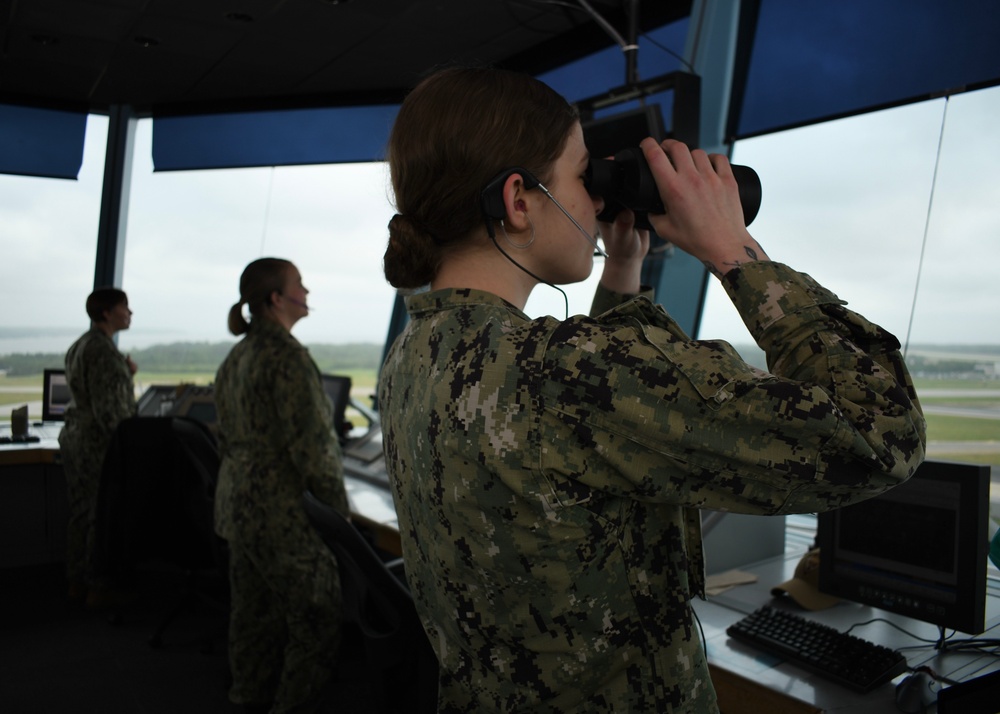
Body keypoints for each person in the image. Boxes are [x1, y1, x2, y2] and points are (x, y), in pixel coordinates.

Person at [377, 66, 927, 713]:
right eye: (585, 176)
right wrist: (731, 246)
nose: (595, 199)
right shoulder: (565, 373)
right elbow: (880, 431)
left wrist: (624, 268)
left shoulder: (418, 349)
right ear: (519, 202)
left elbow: (578, 450)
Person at [214, 257, 349, 714]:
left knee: (252, 614)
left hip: (237, 504)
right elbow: (314, 451)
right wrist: (340, 517)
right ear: (276, 299)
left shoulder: (237, 355)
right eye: (299, 285)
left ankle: (246, 697)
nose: (306, 293)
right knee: (317, 620)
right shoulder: (288, 359)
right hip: (281, 514)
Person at [58, 287, 137, 605]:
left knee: (81, 512)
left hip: (75, 437)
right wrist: (129, 444)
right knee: (99, 513)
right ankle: (97, 586)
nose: (130, 313)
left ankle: (76, 580)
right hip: (97, 443)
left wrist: (125, 373)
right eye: (124, 307)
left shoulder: (80, 345)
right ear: (107, 313)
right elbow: (110, 410)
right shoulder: (103, 351)